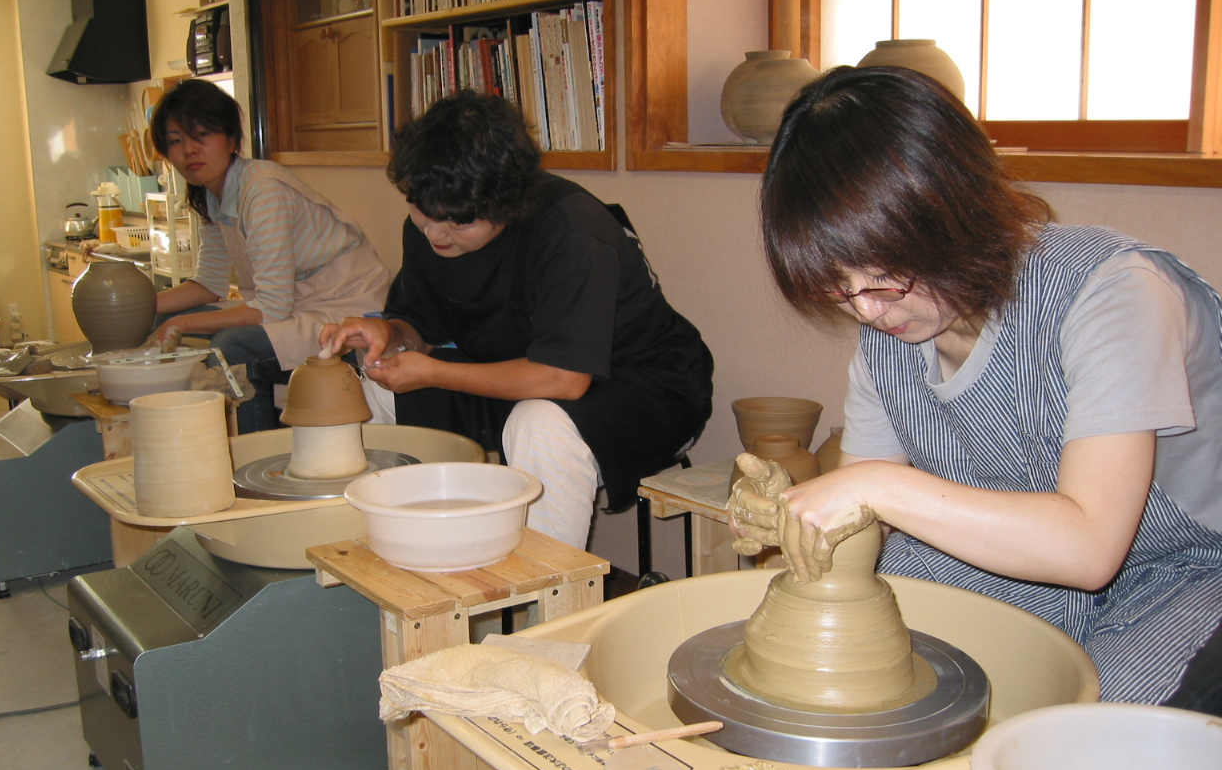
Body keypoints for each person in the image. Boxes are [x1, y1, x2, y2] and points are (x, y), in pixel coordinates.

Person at [735, 65, 1222, 713]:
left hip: (1185, 569)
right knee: (885, 665)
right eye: (837, 286)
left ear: (952, 211)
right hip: (1013, 549)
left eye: (883, 275)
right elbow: (866, 515)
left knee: (1083, 749)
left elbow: (1087, 546)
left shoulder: (1113, 290)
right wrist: (794, 511)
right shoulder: (887, 328)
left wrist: (875, 487)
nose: (867, 311)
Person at [321, 90, 714, 548]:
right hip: (513, 372)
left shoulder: (573, 232)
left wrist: (432, 371)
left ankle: (546, 606)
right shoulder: (434, 218)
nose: (434, 234)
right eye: (421, 213)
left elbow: (564, 380)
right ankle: (404, 563)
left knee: (538, 426)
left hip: (643, 386)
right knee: (366, 392)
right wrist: (388, 335)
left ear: (507, 201)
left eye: (458, 223)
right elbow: (421, 331)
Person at [149, 79, 389, 433]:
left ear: (231, 140)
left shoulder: (262, 189)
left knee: (233, 347)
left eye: (201, 135)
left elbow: (270, 308)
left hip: (344, 304)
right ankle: (182, 438)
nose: (189, 151)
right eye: (175, 141)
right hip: (291, 303)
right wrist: (147, 307)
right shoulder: (210, 196)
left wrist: (179, 324)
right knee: (163, 321)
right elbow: (208, 284)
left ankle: (255, 461)